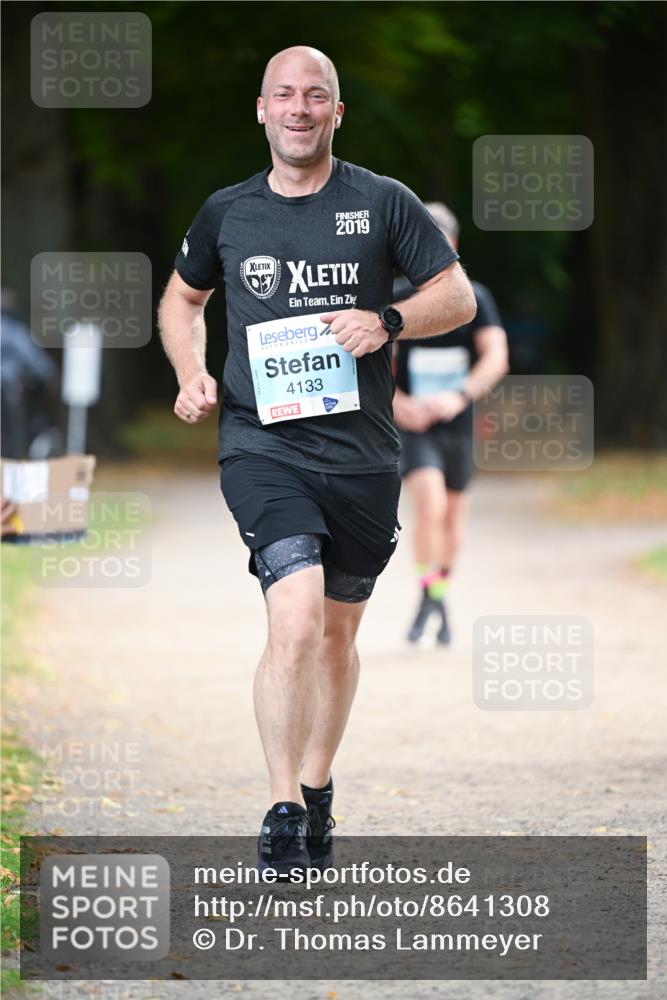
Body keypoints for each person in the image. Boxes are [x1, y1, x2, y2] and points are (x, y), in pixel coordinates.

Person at [158, 47, 476, 875]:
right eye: (284, 95)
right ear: (261, 109)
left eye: (317, 96)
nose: (299, 108)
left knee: (336, 636)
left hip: (363, 456)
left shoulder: (380, 201)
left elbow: (457, 295)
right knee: (292, 616)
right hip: (262, 446)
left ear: (336, 112)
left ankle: (317, 782)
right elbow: (182, 299)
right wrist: (190, 370)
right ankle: (280, 809)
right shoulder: (227, 213)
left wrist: (389, 321)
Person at [392, 203, 509, 646]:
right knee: (429, 505)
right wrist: (400, 403)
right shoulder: (397, 295)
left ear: (454, 245)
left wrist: (458, 396)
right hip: (415, 422)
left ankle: (436, 597)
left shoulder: (475, 296)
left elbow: (496, 357)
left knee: (455, 514)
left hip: (458, 422)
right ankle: (429, 598)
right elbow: (376, 364)